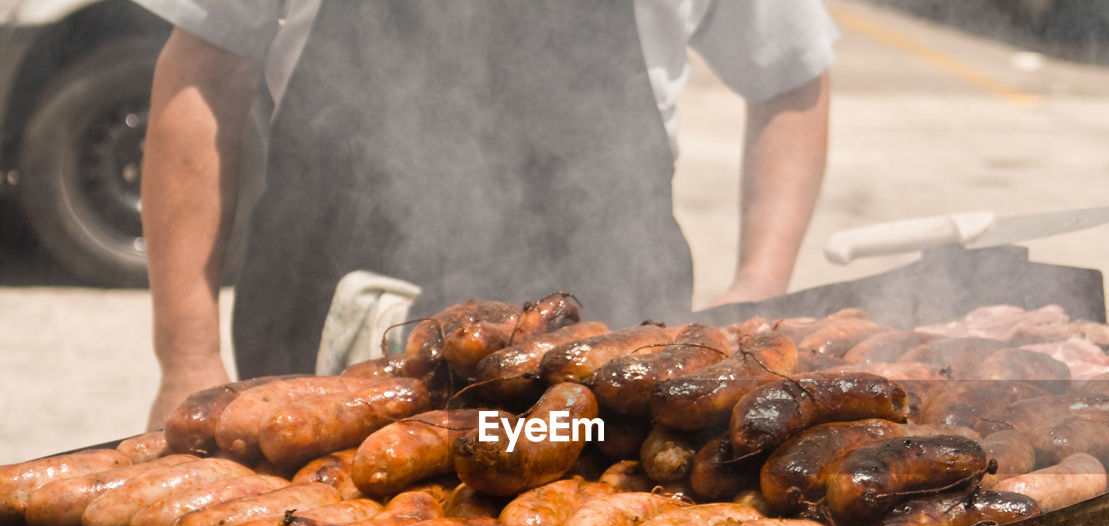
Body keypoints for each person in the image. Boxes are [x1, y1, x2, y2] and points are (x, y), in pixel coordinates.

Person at [135, 0, 836, 430]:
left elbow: (792, 72)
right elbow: (203, 73)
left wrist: (759, 278)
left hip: (599, 355)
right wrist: (187, 356)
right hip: (328, 346)